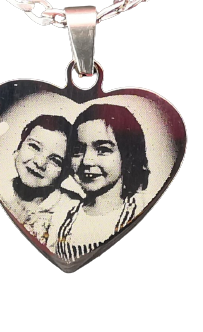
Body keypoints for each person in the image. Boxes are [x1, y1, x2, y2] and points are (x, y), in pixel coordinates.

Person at [55, 104, 149, 261]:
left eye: (103, 149)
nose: (86, 160)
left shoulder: (141, 210)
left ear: (128, 156)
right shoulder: (62, 215)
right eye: (78, 150)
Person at [0, 114, 80, 245]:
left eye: (55, 160)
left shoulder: (71, 209)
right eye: (34, 147)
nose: (40, 162)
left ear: (65, 173)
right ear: (18, 149)